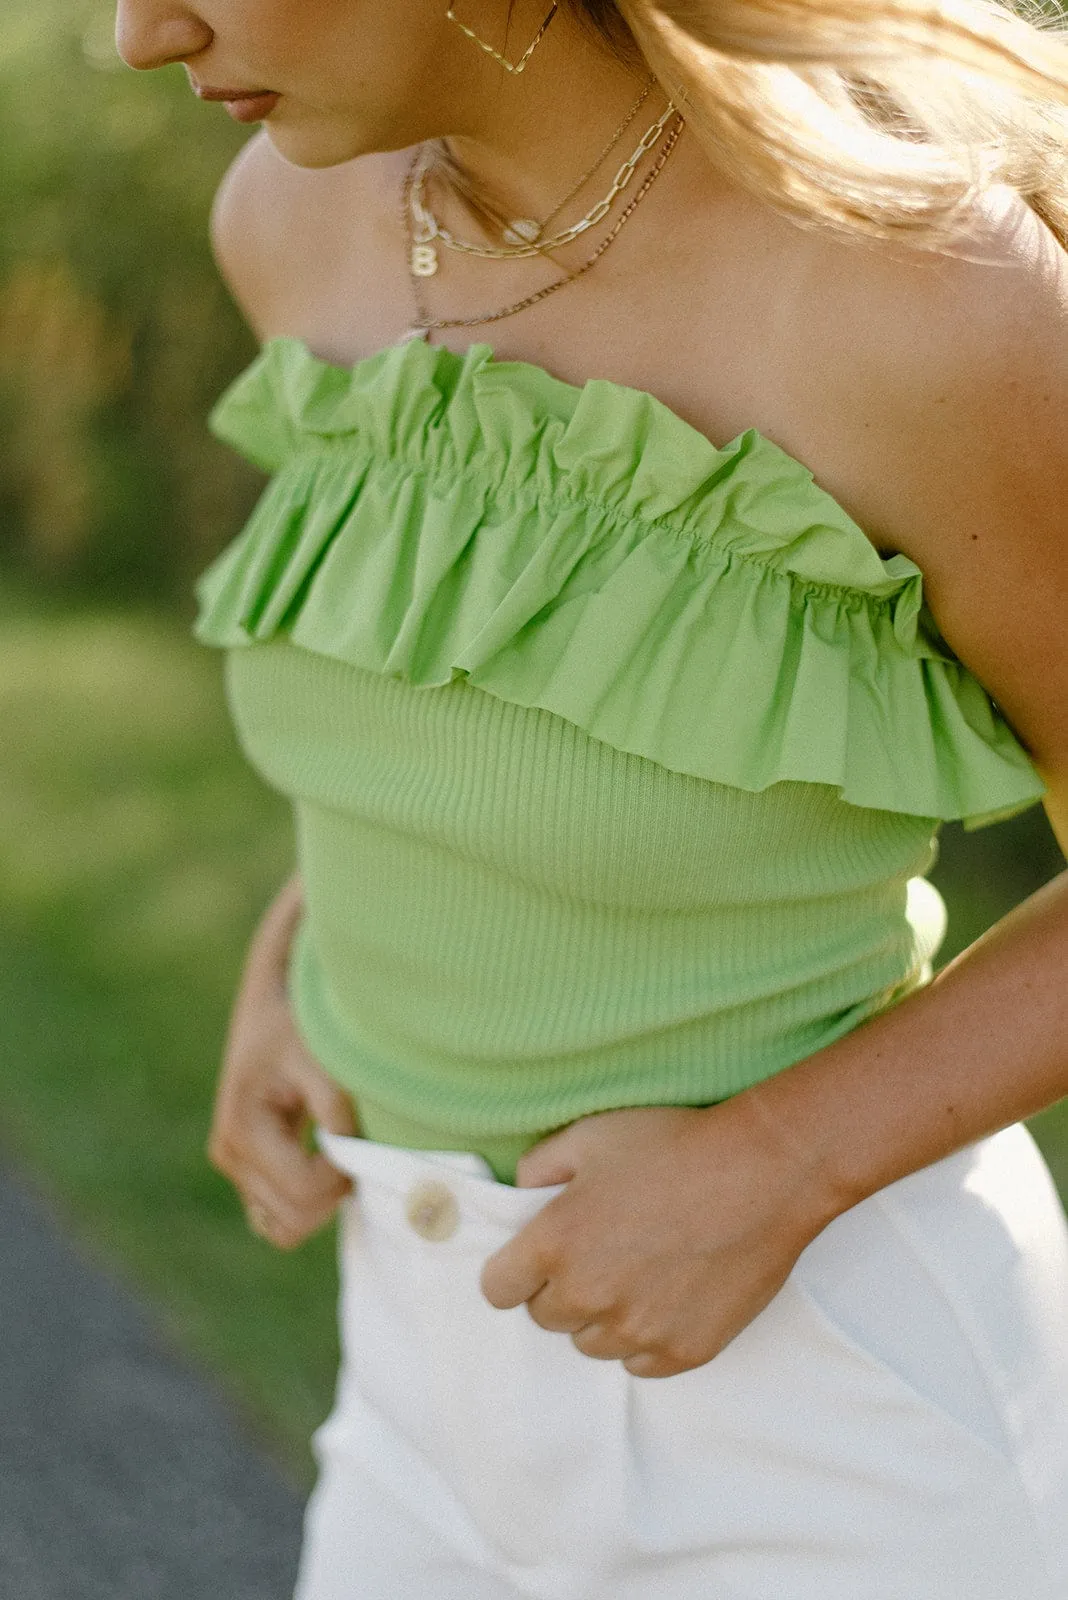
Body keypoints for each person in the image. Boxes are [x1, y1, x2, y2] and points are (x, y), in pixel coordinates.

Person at [116, 1, 1068, 1595]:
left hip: (841, 1411)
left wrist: (782, 1160)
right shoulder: (289, 221)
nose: (150, 34)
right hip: (423, 1393)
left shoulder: (929, 298)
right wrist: (310, 957)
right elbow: (450, 687)